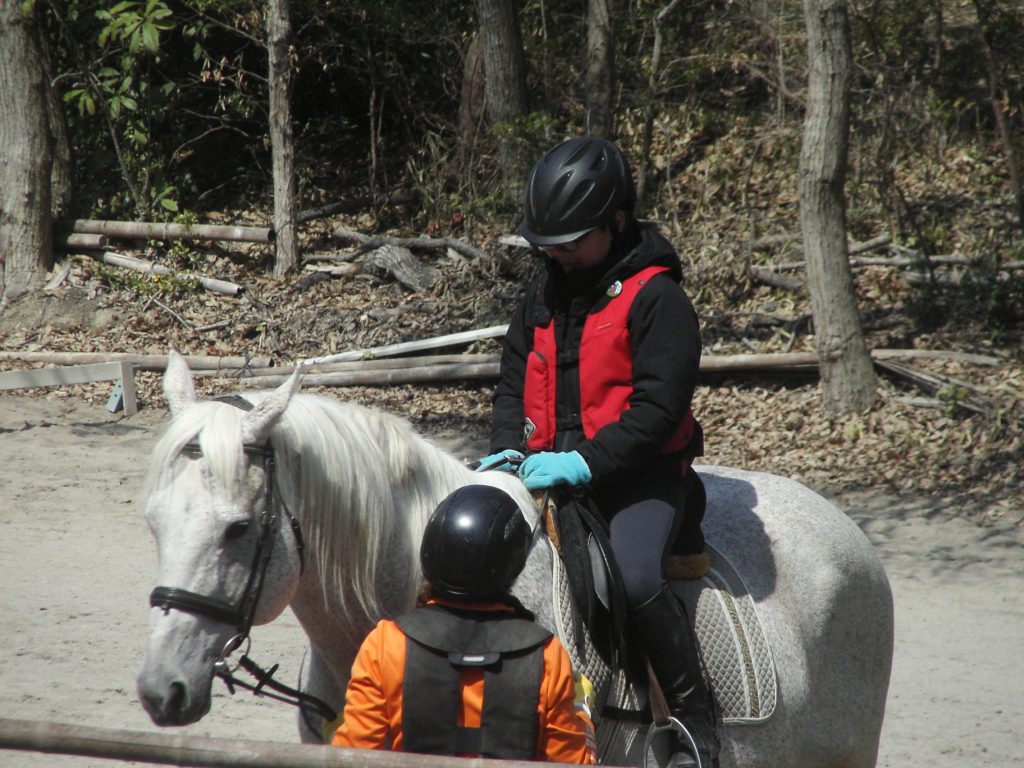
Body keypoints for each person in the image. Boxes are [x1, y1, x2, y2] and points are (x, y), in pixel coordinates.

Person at [483, 136, 718, 767]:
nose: (558, 255)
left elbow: (659, 410)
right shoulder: (541, 296)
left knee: (637, 576)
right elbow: (511, 384)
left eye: (572, 242)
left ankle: (693, 725)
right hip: (544, 470)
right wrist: (505, 448)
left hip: (638, 475)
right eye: (548, 245)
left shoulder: (659, 299)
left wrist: (585, 462)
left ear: (616, 221)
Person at [332, 484, 594, 764]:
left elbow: (350, 756)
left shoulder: (385, 645)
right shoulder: (548, 658)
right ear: (513, 566)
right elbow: (570, 762)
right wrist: (582, 714)